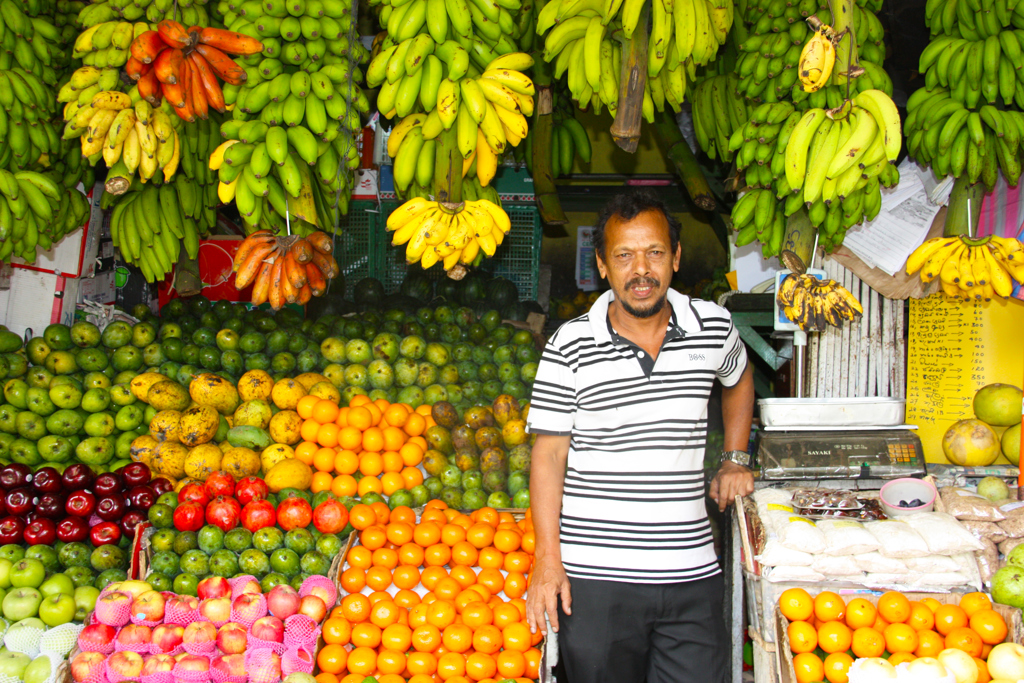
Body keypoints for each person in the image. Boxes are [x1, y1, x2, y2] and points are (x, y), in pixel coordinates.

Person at [524, 189, 755, 683]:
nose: (641, 270)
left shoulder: (713, 326)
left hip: (691, 572)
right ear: (604, 267)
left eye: (653, 252)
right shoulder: (570, 344)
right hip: (594, 580)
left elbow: (738, 379)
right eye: (624, 256)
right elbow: (548, 455)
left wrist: (735, 456)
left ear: (675, 257)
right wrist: (547, 560)